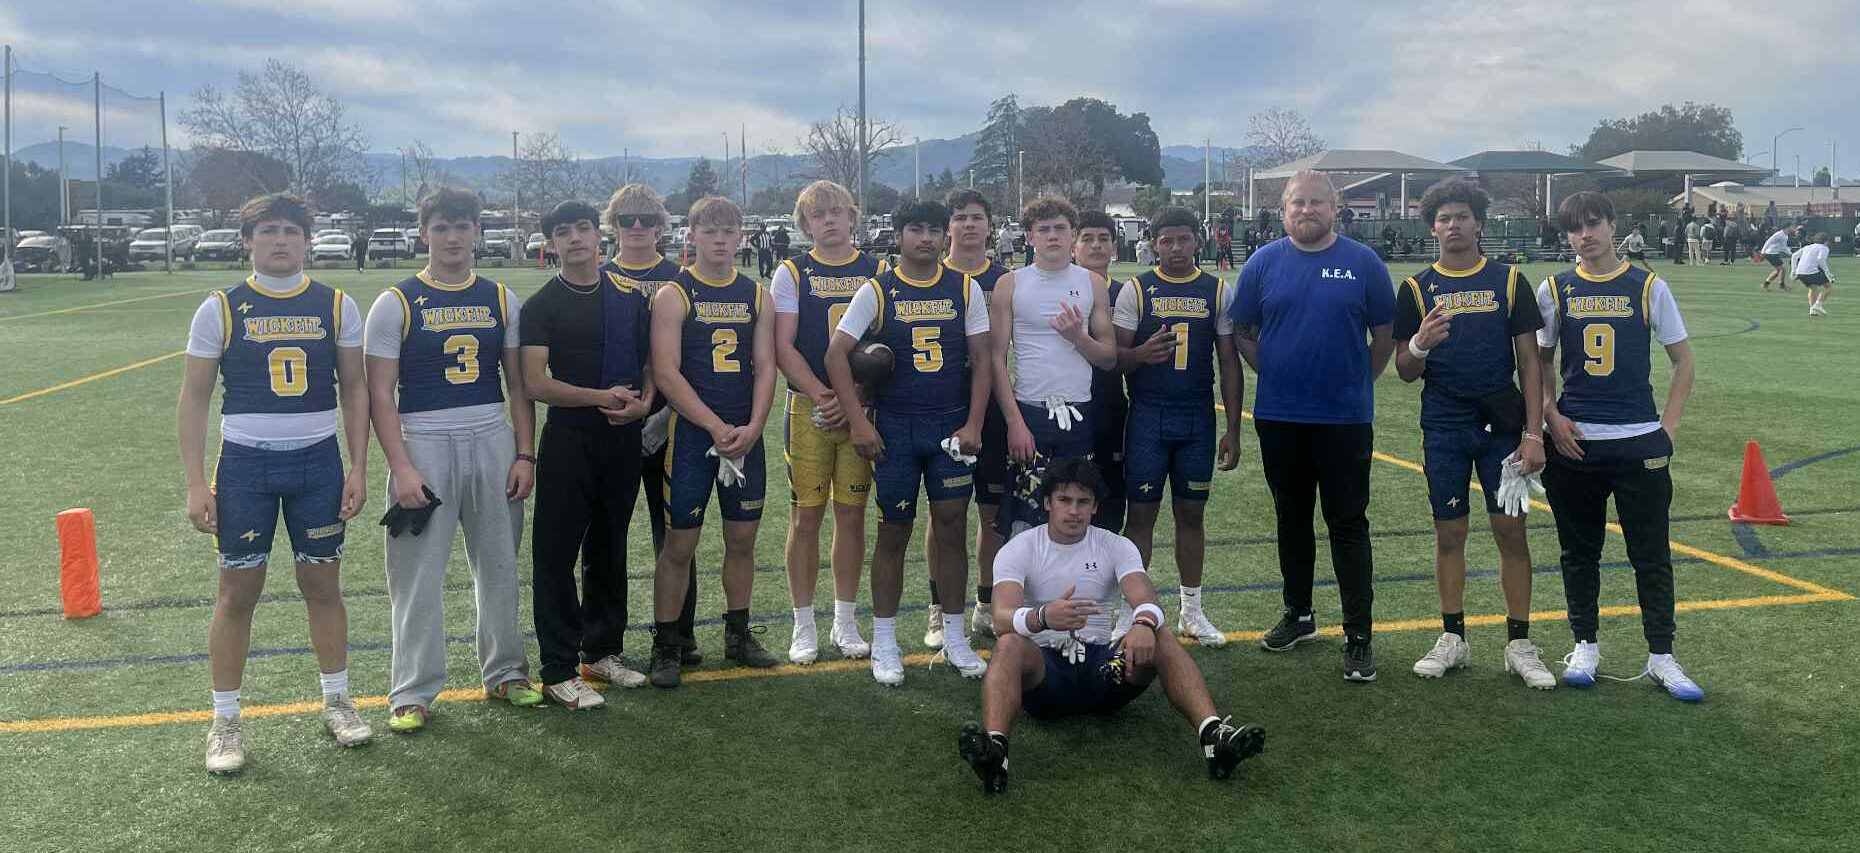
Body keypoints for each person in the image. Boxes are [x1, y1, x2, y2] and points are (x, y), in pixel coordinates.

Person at [179, 193, 372, 773]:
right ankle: (225, 721)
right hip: (245, 464)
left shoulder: (335, 303)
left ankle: (337, 700)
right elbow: (194, 397)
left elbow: (355, 388)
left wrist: (359, 466)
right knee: (238, 594)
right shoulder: (220, 307)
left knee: (323, 586)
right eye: (268, 230)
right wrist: (195, 482)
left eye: (291, 230)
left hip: (317, 462)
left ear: (308, 241)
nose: (281, 240)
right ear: (247, 240)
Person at [954, 458, 1266, 795]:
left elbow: (1146, 599)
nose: (1073, 511)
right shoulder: (1019, 548)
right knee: (1009, 644)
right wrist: (1042, 617)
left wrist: (1143, 623)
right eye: (1064, 500)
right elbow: (1001, 618)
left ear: (1095, 507)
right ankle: (995, 753)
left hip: (1105, 671)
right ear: (1047, 503)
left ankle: (1214, 737)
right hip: (1045, 678)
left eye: (1083, 502)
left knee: (1158, 633)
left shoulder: (1115, 545)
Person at [365, 189, 541, 732]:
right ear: (424, 233)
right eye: (442, 227)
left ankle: (506, 670)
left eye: (463, 226)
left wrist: (524, 452)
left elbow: (518, 387)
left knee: (500, 563)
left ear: (477, 232)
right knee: (417, 573)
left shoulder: (501, 298)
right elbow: (379, 395)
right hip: (423, 440)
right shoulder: (396, 301)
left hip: (490, 435)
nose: (453, 237)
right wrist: (401, 467)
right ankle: (412, 690)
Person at [1229, 170, 1394, 682]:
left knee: (1348, 524)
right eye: (1297, 203)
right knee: (1292, 518)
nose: (1306, 210)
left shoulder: (1363, 262)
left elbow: (1384, 335)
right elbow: (1242, 330)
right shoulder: (1263, 262)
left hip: (1344, 420)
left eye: (1316, 202)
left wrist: (1357, 380)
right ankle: (1298, 614)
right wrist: (1272, 371)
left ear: (1334, 208)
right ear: (1283, 210)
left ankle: (1358, 636)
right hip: (1280, 417)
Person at [1536, 191, 1701, 702]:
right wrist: (1551, 416)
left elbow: (1683, 361)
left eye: (1593, 224)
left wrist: (1667, 429)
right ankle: (1585, 645)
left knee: (1650, 554)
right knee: (1578, 552)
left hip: (1637, 443)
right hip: (1575, 444)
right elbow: (1538, 362)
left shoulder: (1648, 286)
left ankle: (1662, 656)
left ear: (1613, 225)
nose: (1584, 235)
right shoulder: (1555, 288)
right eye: (1574, 228)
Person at [1393, 180, 1555, 689]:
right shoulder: (1416, 288)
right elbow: (1404, 371)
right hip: (1443, 424)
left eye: (1462, 216)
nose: (1453, 225)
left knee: (1511, 531)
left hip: (1501, 426)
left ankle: (1519, 643)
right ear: (1432, 227)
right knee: (1450, 531)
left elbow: (1529, 362)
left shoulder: (1509, 281)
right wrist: (1419, 344)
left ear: (1479, 223)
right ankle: (1453, 638)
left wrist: (1534, 433)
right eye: (1443, 218)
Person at [825, 198, 993, 684]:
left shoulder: (964, 287)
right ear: (898, 235)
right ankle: (885, 642)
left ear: (945, 236)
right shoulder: (878, 289)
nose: (926, 237)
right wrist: (858, 423)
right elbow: (836, 355)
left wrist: (975, 424)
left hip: (949, 427)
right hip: (895, 428)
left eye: (934, 229)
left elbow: (984, 360)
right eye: (916, 228)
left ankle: (956, 638)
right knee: (893, 531)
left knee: (952, 528)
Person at [519, 200, 653, 709]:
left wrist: (643, 403)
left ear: (599, 236)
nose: (574, 237)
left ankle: (601, 651)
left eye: (582, 228)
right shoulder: (542, 305)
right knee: (556, 553)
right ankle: (557, 667)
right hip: (569, 438)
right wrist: (601, 397)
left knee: (609, 546)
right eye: (563, 231)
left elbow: (650, 364)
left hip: (621, 437)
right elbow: (535, 383)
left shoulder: (628, 298)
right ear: (551, 243)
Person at [647, 195, 780, 687]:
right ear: (693, 236)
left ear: (741, 236)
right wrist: (713, 426)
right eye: (711, 231)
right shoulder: (674, 294)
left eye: (729, 231)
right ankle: (667, 643)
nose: (720, 240)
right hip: (692, 437)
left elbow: (766, 366)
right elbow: (667, 372)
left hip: (745, 435)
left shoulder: (756, 294)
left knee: (742, 539)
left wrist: (755, 426)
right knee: (680, 543)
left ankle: (738, 633)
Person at [1110, 206, 1244, 648]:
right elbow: (1116, 359)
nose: (1176, 248)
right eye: (1166, 240)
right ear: (1153, 244)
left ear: (1197, 241)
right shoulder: (1136, 290)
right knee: (1141, 516)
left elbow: (1229, 361)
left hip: (1197, 416)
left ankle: (1192, 610)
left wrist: (1233, 428)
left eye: (1183, 239)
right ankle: (1130, 611)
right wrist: (1140, 355)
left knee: (1191, 514)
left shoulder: (1217, 290)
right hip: (1148, 414)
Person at [771, 180, 884, 664]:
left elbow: (887, 344)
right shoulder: (793, 272)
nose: (830, 220)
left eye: (838, 211)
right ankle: (803, 623)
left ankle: (845, 619)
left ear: (852, 217)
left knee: (852, 514)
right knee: (806, 515)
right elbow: (783, 346)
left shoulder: (878, 270)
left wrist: (852, 397)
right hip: (808, 407)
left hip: (861, 406)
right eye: (819, 214)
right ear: (806, 225)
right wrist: (824, 394)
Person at [590, 184, 702, 668]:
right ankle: (602, 643)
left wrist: (663, 410)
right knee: (606, 535)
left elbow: (691, 358)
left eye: (646, 219)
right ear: (612, 226)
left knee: (677, 533)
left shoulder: (682, 279)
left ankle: (678, 635)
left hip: (674, 422)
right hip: (611, 420)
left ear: (661, 226)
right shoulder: (596, 278)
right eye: (626, 219)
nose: (636, 227)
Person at [987, 196, 1120, 541]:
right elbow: (996, 359)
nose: (1052, 236)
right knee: (1024, 522)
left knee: (1074, 517)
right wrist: (1015, 422)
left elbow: (1108, 357)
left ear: (1072, 233)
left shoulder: (1092, 283)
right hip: (1030, 412)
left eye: (1060, 228)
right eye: (1043, 229)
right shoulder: (1010, 284)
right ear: (1030, 236)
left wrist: (1078, 337)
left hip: (1078, 413)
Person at [930, 188, 1012, 647]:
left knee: (991, 511)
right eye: (960, 217)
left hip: (994, 405)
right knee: (943, 511)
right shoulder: (930, 274)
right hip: (940, 403)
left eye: (976, 217)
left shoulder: (1005, 279)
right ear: (949, 226)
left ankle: (984, 602)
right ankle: (938, 608)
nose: (968, 224)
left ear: (989, 225)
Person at [1073, 209, 1131, 537]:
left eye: (1103, 238)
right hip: (1065, 407)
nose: (1096, 245)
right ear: (1074, 246)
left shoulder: (1127, 293)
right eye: (1087, 238)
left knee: (1109, 502)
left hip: (1109, 406)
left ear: (1114, 246)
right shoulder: (1054, 290)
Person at [1793, 232, 1835, 316]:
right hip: (1810, 271)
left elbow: (1794, 256)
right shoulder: (1824, 248)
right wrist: (1827, 273)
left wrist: (1793, 270)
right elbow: (1821, 259)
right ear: (1826, 241)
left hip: (1800, 272)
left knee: (1813, 288)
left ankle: (1812, 310)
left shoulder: (1808, 247)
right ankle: (1818, 305)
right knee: (1828, 287)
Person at [1760, 225, 1798, 290]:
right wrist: (1763, 252)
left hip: (1774, 254)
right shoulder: (1779, 234)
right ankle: (1781, 285)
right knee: (1783, 269)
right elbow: (1768, 241)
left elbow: (1783, 247)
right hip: (1771, 254)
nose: (1793, 228)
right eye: (1792, 227)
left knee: (1778, 271)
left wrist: (1791, 254)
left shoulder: (1785, 236)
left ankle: (1765, 285)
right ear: (1787, 227)